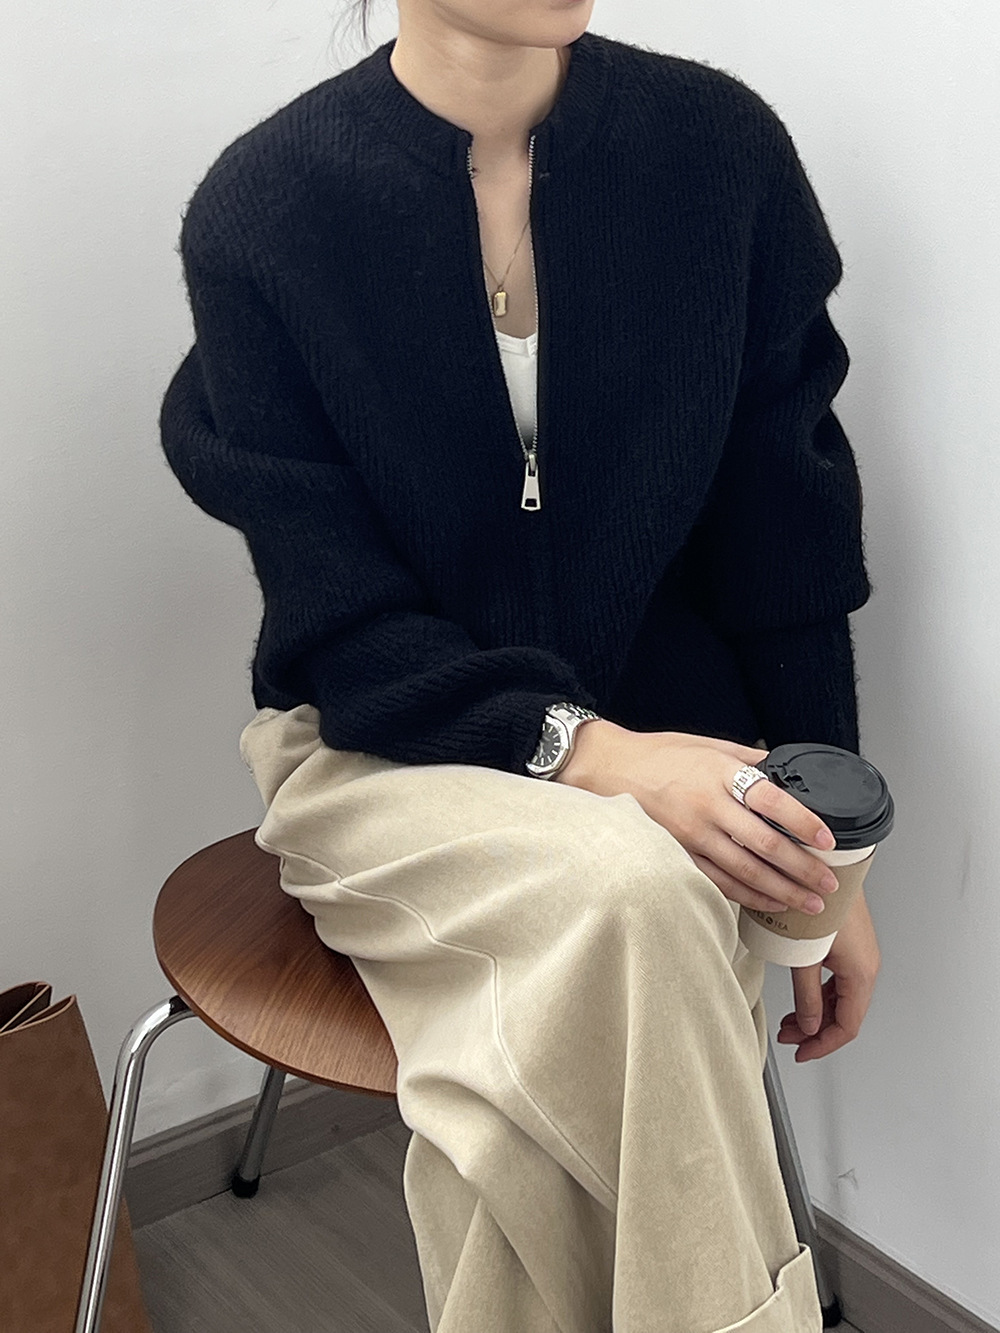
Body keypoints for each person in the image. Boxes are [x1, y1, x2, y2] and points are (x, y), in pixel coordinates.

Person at [160, 2, 881, 1329]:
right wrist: (597, 756)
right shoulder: (269, 210)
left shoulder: (717, 152)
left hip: (691, 767)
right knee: (635, 887)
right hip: (389, 754)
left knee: (598, 969)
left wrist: (825, 862)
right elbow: (341, 621)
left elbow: (786, 537)